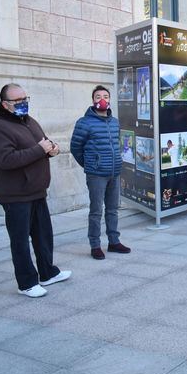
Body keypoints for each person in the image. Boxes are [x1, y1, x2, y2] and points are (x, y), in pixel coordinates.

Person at [0, 83, 71, 298]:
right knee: (20, 240)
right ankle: (26, 283)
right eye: (18, 101)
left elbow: (43, 143)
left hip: (37, 189)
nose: (23, 103)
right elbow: (6, 160)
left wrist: (52, 149)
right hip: (15, 194)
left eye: (25, 98)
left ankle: (47, 273)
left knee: (43, 236)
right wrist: (39, 150)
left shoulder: (29, 121)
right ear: (5, 104)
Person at [71, 85, 130, 260]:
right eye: (98, 96)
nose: (102, 99)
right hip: (96, 174)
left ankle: (114, 242)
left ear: (110, 99)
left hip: (114, 172)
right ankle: (95, 245)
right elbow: (75, 148)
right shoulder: (84, 122)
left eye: (105, 96)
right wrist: (90, 165)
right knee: (96, 211)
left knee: (112, 210)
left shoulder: (114, 121)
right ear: (93, 100)